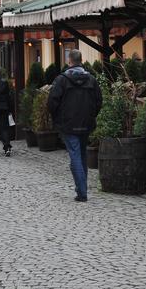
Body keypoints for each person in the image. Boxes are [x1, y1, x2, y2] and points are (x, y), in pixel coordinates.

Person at [48, 49, 102, 202]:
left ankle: (82, 192)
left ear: (69, 61)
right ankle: (81, 189)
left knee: (75, 155)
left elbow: (52, 102)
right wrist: (91, 115)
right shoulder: (91, 79)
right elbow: (99, 101)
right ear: (81, 60)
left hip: (68, 123)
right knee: (82, 154)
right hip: (86, 123)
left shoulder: (62, 80)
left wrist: (57, 117)